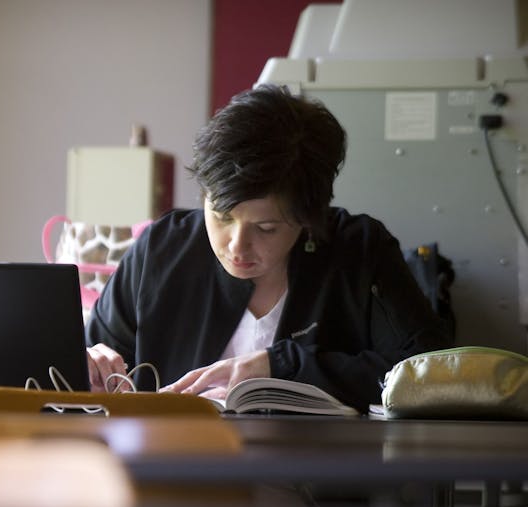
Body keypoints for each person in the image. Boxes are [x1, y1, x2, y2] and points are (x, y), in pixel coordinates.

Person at [85, 84, 452, 412]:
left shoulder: (358, 251)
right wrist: (90, 363)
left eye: (266, 228)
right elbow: (87, 366)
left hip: (319, 477)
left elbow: (431, 372)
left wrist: (280, 367)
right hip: (174, 469)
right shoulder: (162, 250)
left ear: (308, 217)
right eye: (222, 216)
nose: (236, 246)